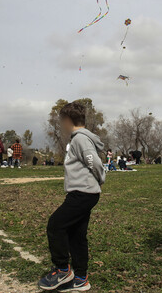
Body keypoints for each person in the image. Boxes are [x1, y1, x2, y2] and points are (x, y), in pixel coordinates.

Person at [38, 102, 105, 291]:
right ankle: (81, 278)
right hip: (83, 192)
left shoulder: (80, 139)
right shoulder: (79, 139)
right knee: (77, 234)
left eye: (61, 122)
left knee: (55, 225)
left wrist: (100, 178)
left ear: (67, 121)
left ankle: (62, 269)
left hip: (82, 193)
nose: (61, 125)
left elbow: (93, 161)